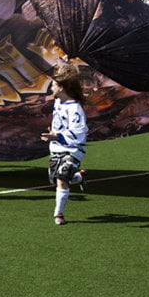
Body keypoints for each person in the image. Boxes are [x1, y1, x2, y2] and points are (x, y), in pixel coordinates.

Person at [41, 63, 89, 225]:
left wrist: (57, 136)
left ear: (61, 88)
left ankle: (58, 214)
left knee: (62, 177)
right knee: (54, 180)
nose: (51, 89)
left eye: (53, 86)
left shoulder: (75, 108)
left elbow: (79, 133)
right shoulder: (58, 102)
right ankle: (78, 176)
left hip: (74, 149)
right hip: (56, 148)